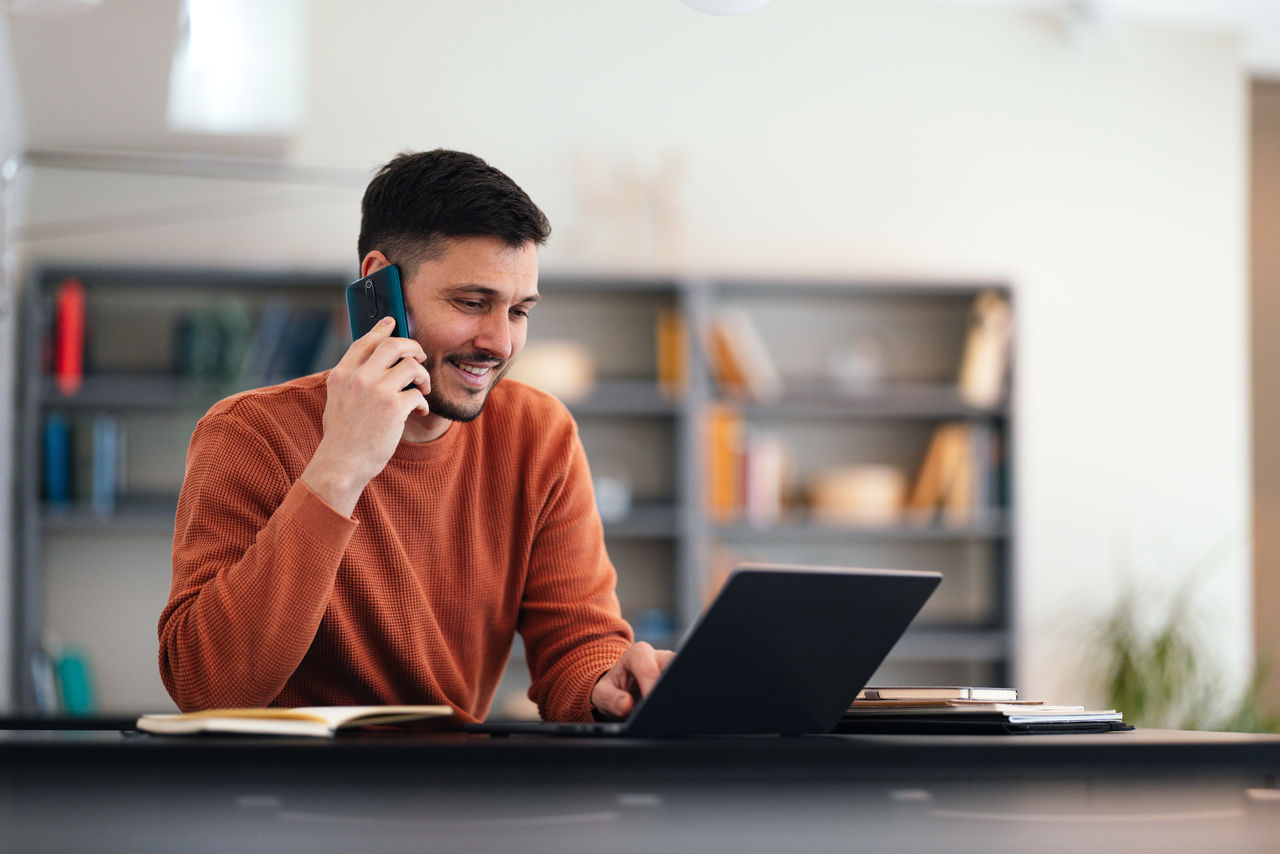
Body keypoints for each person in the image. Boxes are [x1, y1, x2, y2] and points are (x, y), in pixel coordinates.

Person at [159, 149, 673, 723]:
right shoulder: (248, 434)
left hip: (454, 795)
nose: (500, 343)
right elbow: (205, 687)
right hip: (283, 795)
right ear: (381, 283)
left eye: (519, 311)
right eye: (473, 303)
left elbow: (576, 647)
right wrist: (341, 464)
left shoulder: (539, 434)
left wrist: (608, 684)